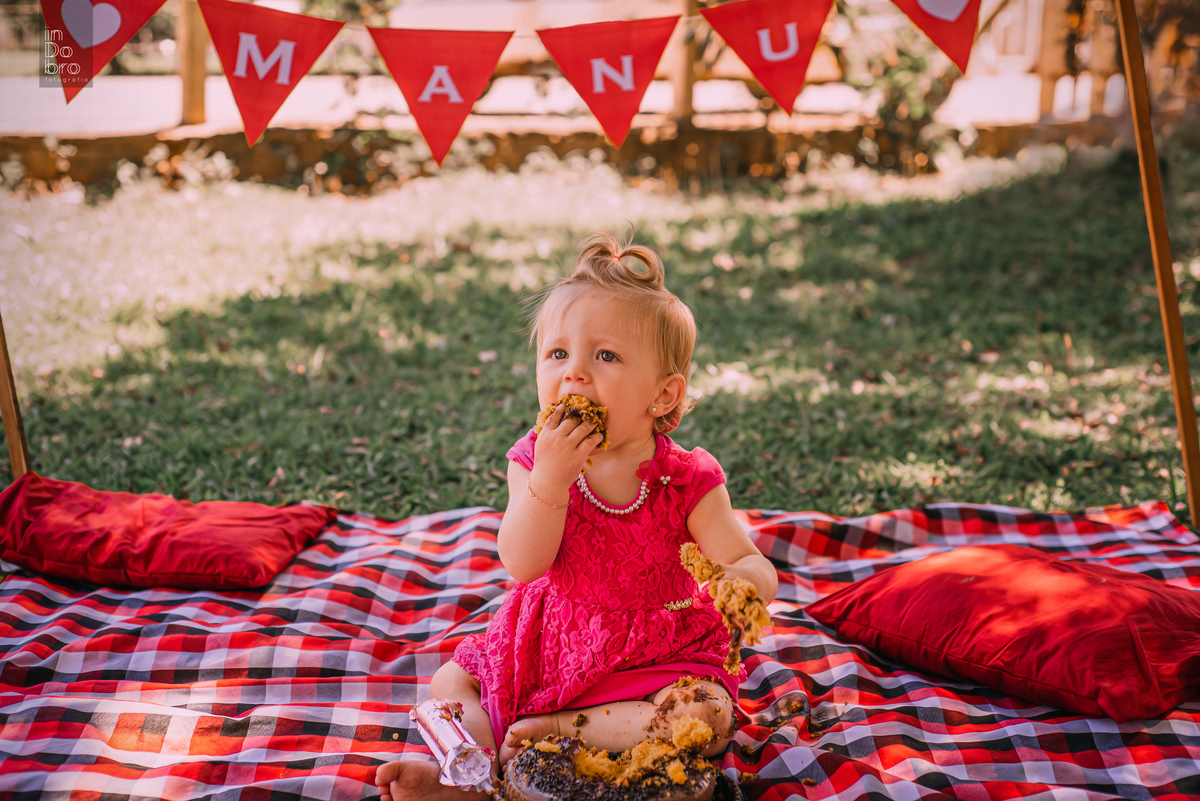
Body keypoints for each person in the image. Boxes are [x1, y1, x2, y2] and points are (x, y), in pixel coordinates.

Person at [376, 232, 778, 801]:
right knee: (450, 682)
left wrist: (743, 581)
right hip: (551, 644)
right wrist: (551, 479)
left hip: (653, 658)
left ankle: (556, 732)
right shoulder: (534, 461)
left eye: (605, 356)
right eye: (558, 354)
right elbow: (522, 561)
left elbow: (745, 558)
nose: (575, 374)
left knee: (708, 716)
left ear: (663, 395)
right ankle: (465, 770)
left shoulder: (685, 479)